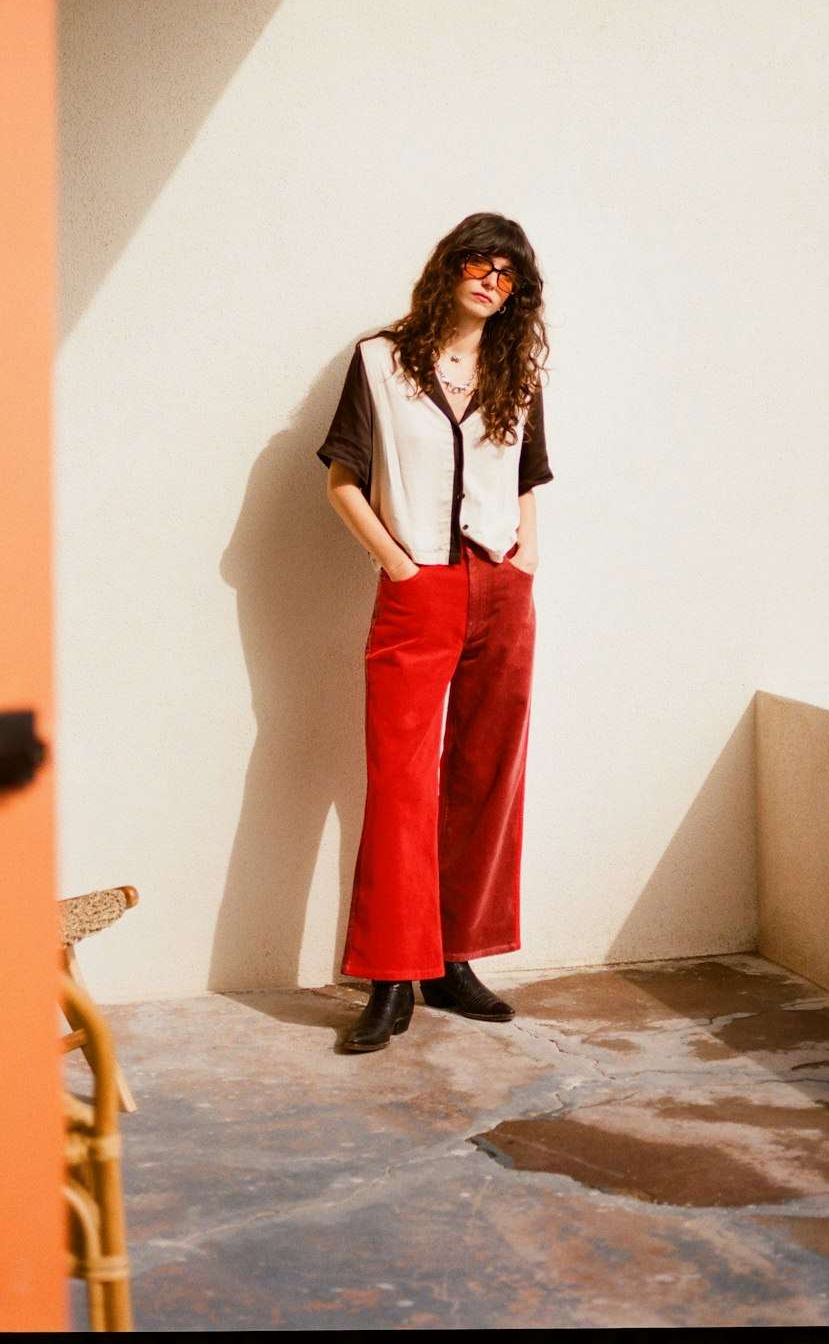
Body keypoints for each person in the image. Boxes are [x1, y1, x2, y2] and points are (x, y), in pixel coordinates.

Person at [316, 213, 553, 1054]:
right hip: (419, 588)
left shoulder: (515, 372)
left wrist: (525, 557)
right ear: (450, 267)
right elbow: (342, 479)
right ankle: (391, 978)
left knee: (487, 776)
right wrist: (399, 565)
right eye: (481, 264)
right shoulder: (380, 362)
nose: (492, 281)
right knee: (402, 784)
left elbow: (526, 476)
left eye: (508, 275)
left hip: (501, 586)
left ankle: (452, 960)